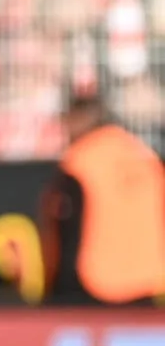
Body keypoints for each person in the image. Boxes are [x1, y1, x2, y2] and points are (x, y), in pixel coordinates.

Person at [44, 89, 165, 304]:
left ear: (78, 119)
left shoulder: (80, 161)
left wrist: (57, 293)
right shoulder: (146, 157)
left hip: (98, 285)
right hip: (149, 284)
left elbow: (68, 231)